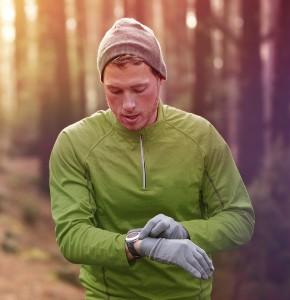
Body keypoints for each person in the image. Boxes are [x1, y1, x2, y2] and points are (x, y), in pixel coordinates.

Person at [49, 18, 255, 299]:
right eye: (115, 91)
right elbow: (72, 236)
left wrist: (184, 231)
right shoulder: (75, 142)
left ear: (160, 78)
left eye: (139, 88)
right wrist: (140, 246)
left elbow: (240, 220)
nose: (128, 104)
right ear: (102, 84)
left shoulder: (200, 136)